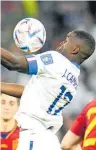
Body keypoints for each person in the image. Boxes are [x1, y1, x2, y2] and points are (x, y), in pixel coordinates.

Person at [1, 30, 95, 150]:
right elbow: (30, 92)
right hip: (48, 140)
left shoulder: (56, 59)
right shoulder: (74, 78)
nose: (62, 42)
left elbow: (14, 63)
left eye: (67, 40)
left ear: (75, 49)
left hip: (33, 137)